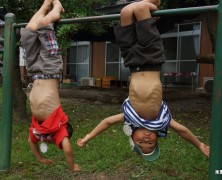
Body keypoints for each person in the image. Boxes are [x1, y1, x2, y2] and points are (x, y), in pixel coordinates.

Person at [77, 0, 210, 161]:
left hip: (132, 62)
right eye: (151, 144)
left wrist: (88, 137)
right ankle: (152, 4)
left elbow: (106, 122)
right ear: (157, 138)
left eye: (141, 142)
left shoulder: (129, 117)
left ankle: (148, 4)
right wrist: (200, 144)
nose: (146, 141)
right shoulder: (162, 121)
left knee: (125, 13)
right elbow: (182, 130)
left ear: (132, 136)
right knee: (141, 9)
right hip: (151, 60)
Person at [20, 0, 80, 171]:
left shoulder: (38, 130)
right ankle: (56, 9)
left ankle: (46, 4)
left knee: (29, 32)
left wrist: (39, 158)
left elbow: (31, 141)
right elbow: (67, 149)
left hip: (34, 72)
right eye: (61, 140)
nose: (52, 142)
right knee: (45, 24)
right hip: (50, 68)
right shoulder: (58, 127)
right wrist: (72, 167)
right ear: (64, 133)